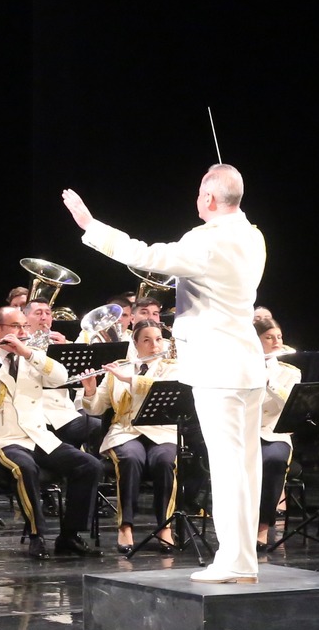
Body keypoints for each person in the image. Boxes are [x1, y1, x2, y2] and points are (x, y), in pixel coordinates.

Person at [63, 164, 267, 582]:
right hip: (246, 364)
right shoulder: (253, 235)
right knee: (247, 467)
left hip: (218, 367)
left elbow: (147, 255)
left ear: (209, 198)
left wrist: (90, 226)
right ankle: (243, 559)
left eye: (200, 192)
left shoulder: (206, 240)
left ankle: (234, 560)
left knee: (228, 468)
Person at [0, 303, 102, 560]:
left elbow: (61, 377)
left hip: (37, 436)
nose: (23, 332)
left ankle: (69, 536)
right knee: (25, 468)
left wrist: (28, 353)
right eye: (15, 327)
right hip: (2, 440)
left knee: (89, 465)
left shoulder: (32, 356)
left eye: (24, 326)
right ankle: (37, 535)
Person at [86, 320, 178, 553]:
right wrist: (90, 389)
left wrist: (129, 380)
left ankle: (164, 526)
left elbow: (162, 387)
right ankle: (125, 526)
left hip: (162, 431)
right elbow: (97, 407)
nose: (154, 345)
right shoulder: (119, 367)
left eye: (158, 339)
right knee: (130, 458)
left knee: (165, 461)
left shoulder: (172, 367)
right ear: (135, 344)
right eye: (146, 340)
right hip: (125, 432)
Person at [254, 317, 301, 547]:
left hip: (274, 433)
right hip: (244, 432)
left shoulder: (290, 372)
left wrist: (270, 382)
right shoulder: (238, 368)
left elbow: (290, 405)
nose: (276, 342)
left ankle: (263, 526)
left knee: (274, 460)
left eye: (279, 337)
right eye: (269, 337)